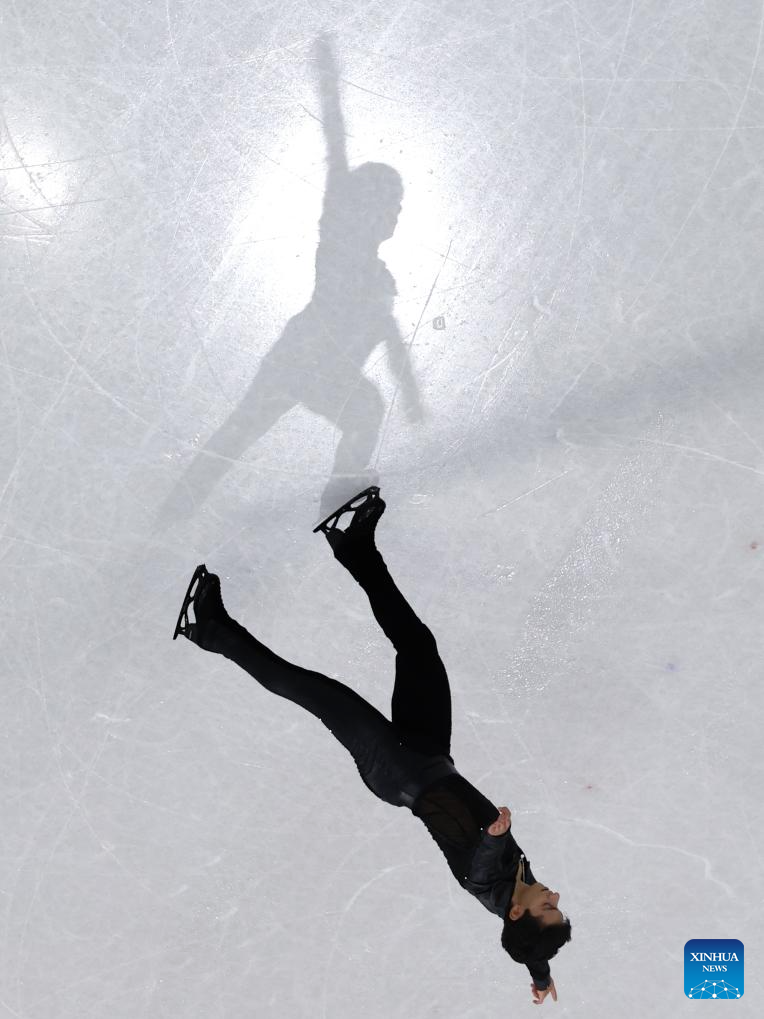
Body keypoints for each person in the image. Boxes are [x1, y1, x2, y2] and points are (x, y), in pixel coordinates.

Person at [173, 487, 572, 1002]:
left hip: (397, 771)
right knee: (418, 646)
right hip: (433, 752)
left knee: (316, 691)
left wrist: (495, 836)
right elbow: (531, 943)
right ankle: (357, 549)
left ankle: (212, 630)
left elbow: (478, 868)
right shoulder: (522, 893)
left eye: (548, 906)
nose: (554, 895)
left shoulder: (489, 885)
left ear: (517, 912)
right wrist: (539, 975)